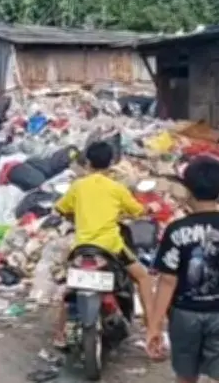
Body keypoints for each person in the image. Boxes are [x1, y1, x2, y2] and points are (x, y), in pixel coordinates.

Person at [146, 158, 219, 383]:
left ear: (187, 190)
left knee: (186, 378)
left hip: (185, 315)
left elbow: (167, 281)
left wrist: (155, 325)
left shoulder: (177, 230)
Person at [52, 140, 156, 347]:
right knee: (143, 277)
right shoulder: (116, 188)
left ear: (87, 162)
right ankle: (151, 327)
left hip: (81, 249)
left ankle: (60, 335)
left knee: (70, 290)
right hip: (111, 248)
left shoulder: (78, 186)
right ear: (111, 163)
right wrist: (149, 208)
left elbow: (61, 208)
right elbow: (138, 211)